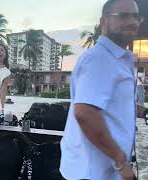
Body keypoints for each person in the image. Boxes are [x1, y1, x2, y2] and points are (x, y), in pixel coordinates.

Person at [60, 0, 144, 179]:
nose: (132, 21)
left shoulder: (117, 59)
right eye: (123, 16)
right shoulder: (100, 59)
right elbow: (85, 113)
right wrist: (121, 162)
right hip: (92, 172)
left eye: (136, 16)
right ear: (103, 21)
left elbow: (111, 105)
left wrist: (142, 111)